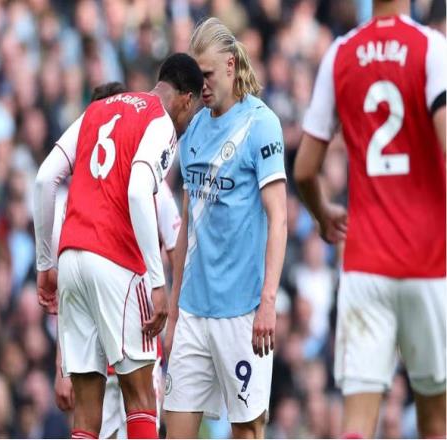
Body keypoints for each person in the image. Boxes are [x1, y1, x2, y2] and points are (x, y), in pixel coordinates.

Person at [294, 0, 446, 438]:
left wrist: (323, 214)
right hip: (428, 260)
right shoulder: (431, 48)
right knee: (436, 421)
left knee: (357, 423)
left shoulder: (340, 54)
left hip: (364, 262)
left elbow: (304, 170)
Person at [33, 53, 203, 439]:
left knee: (85, 413)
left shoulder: (97, 109)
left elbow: (45, 178)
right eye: (192, 114)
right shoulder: (160, 120)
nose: (187, 123)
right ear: (187, 99)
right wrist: (157, 283)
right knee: (140, 398)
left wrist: (45, 263)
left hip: (71, 259)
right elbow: (139, 190)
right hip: (116, 262)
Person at [163, 18, 288, 439]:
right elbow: (186, 227)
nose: (201, 86)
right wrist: (174, 310)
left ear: (231, 66)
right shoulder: (193, 128)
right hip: (193, 311)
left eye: (209, 74)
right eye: (196, 76)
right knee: (175, 428)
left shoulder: (261, 125)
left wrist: (268, 301)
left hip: (242, 311)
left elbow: (279, 218)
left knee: (247, 430)